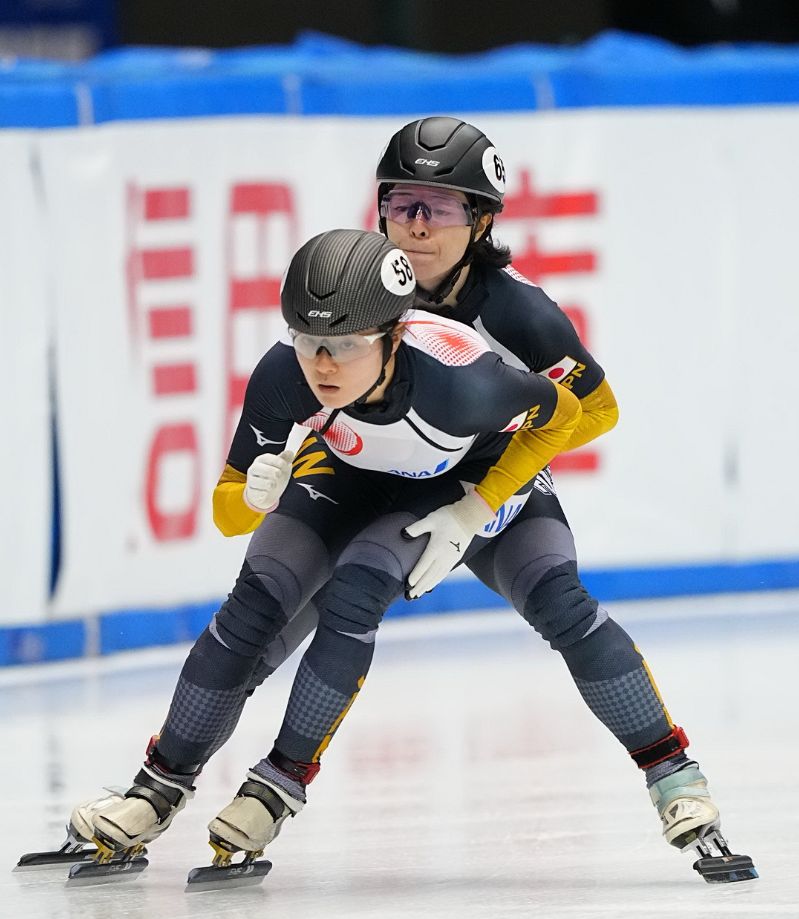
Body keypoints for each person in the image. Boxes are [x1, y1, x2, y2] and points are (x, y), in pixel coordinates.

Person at [203, 117, 752, 880]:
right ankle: (175, 783)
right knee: (270, 609)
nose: (416, 226)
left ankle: (674, 776)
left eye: (441, 208)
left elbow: (596, 410)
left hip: (478, 480)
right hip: (369, 484)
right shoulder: (354, 291)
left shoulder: (517, 312)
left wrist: (480, 500)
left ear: (483, 221)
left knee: (559, 600)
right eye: (400, 204)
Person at [66, 227, 583, 876]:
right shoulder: (287, 372)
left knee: (353, 596)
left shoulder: (463, 382)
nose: (324, 364)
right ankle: (157, 785)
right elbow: (226, 514)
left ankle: (278, 783)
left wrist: (479, 505)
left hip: (428, 489)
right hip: (343, 477)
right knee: (253, 604)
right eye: (309, 342)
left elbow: (567, 415)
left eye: (344, 346)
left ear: (393, 337)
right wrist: (251, 496)